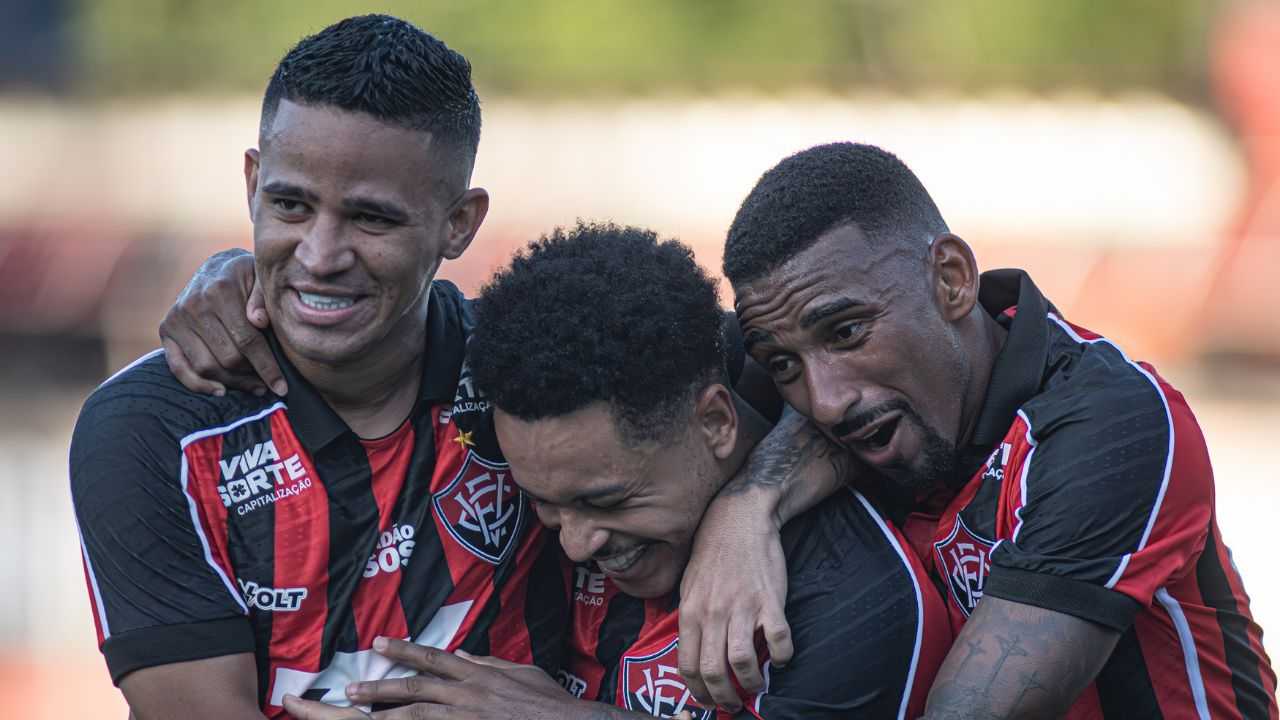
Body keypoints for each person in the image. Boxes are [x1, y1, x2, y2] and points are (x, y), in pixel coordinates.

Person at [70, 16, 568, 718]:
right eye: (290, 204)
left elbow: (750, 391)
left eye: (372, 219)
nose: (320, 254)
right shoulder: (155, 426)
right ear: (252, 183)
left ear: (459, 224)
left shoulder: (539, 364)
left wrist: (749, 506)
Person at [689, 141, 1278, 718]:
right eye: (785, 367)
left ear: (951, 279)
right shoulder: (876, 403)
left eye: (847, 333)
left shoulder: (1112, 423)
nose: (826, 402)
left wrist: (745, 508)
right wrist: (743, 510)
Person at [281, 222, 951, 720]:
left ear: (716, 422)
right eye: (544, 503)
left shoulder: (863, 601)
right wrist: (240, 286)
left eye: (607, 501)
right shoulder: (524, 467)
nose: (574, 542)